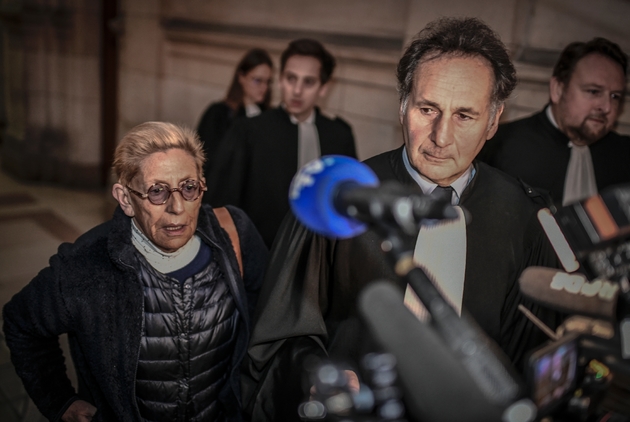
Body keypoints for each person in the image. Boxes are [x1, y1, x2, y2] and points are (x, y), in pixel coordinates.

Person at [243, 17, 562, 421]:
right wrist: (319, 373)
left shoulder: (524, 215)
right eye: (427, 108)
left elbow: (532, 355)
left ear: (493, 121)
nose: (441, 136)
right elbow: (281, 335)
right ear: (402, 106)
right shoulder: (340, 198)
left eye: (465, 116)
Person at [3, 122, 268, 421]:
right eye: (157, 192)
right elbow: (22, 323)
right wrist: (60, 401)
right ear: (126, 199)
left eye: (189, 187)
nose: (177, 207)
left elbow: (265, 311)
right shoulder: (86, 266)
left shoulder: (235, 235)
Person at [206, 38, 357, 248]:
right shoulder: (249, 131)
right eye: (291, 78)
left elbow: (347, 204)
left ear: (323, 88)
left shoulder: (339, 135)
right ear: (280, 80)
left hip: (318, 255)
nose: (296, 90)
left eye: (308, 82)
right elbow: (222, 204)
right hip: (261, 255)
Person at [479, 37, 629, 206]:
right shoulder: (499, 145)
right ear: (557, 89)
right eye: (594, 91)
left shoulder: (625, 156)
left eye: (615, 96)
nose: (607, 107)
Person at [196, 48, 273, 191]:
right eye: (258, 81)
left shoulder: (270, 117)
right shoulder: (219, 113)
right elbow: (205, 160)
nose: (264, 88)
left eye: (268, 82)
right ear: (241, 77)